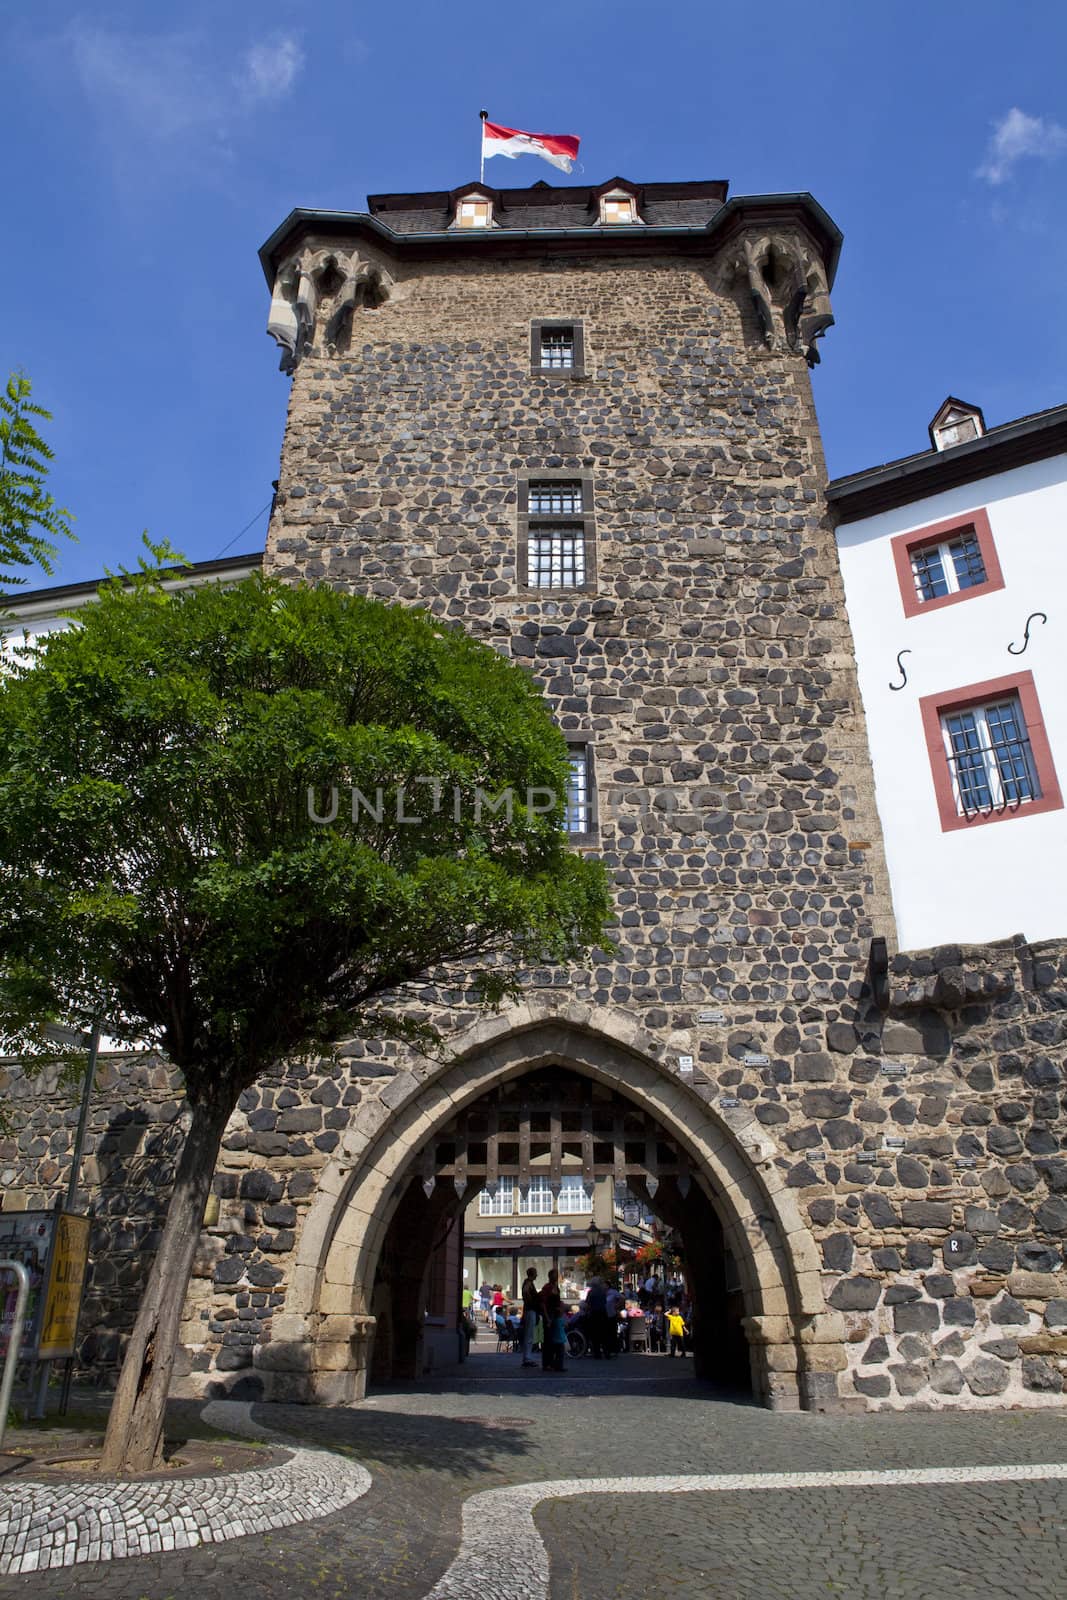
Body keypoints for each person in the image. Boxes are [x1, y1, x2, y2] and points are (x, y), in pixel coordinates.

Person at [539, 1268, 566, 1372]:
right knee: (549, 1341)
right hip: (549, 1317)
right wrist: (547, 1318)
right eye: (555, 1275)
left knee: (556, 1341)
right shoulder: (547, 1287)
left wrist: (560, 1308)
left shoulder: (556, 1287)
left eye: (557, 1275)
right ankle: (547, 1364)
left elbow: (557, 1302)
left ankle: (556, 1364)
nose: (556, 1277)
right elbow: (543, 1304)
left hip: (555, 1316)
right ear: (550, 1276)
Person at [520, 1266, 541, 1368]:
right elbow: (526, 1294)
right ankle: (527, 1358)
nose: (537, 1275)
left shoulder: (528, 1283)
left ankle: (527, 1357)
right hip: (530, 1310)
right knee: (529, 1335)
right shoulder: (528, 1284)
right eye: (536, 1273)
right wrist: (533, 1301)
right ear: (532, 1274)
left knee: (529, 1335)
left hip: (530, 1310)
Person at [584, 1275, 609, 1359]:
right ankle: (606, 1352)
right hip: (603, 1313)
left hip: (594, 1314)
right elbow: (605, 1302)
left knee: (595, 1334)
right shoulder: (603, 1291)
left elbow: (587, 1304)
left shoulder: (591, 1292)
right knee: (604, 1334)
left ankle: (597, 1353)